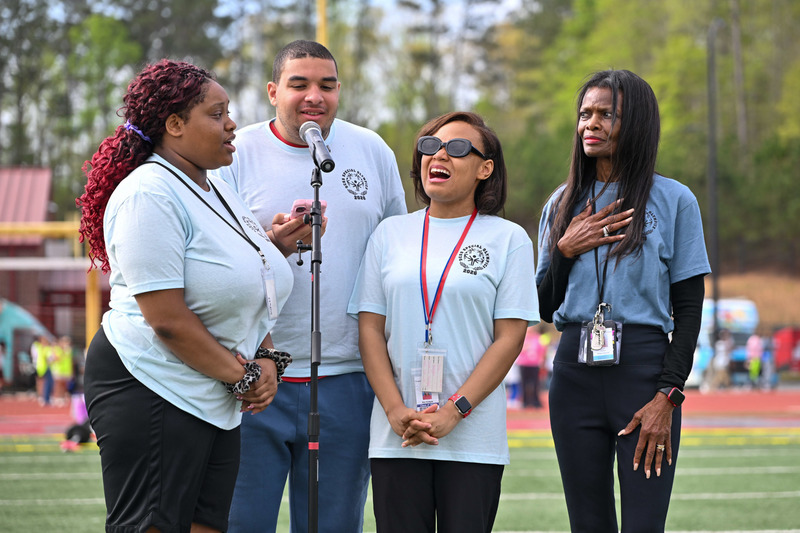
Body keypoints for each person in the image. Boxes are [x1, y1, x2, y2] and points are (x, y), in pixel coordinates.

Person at [76, 59, 294, 532]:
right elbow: (167, 318)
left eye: (228, 112)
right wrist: (247, 376)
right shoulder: (148, 194)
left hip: (214, 390)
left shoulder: (215, 185)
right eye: (216, 114)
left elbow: (243, 286)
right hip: (151, 382)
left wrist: (269, 357)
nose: (232, 124)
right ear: (174, 125)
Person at [214, 40, 407, 533]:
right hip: (253, 376)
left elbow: (396, 253)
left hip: (347, 378)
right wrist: (273, 244)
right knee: (243, 523)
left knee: (334, 525)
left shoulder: (371, 148)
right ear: (273, 90)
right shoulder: (234, 154)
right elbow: (215, 264)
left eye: (327, 84)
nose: (314, 96)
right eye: (299, 84)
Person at [535, 69, 710, 532]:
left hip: (644, 373)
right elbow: (542, 306)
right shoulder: (560, 204)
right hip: (573, 374)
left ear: (635, 123)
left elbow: (689, 309)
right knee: (588, 524)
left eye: (606, 114)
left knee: (643, 524)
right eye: (585, 114)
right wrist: (565, 250)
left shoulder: (675, 200)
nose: (590, 124)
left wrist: (667, 396)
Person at [348, 111, 539, 532]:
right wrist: (395, 409)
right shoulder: (389, 234)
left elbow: (510, 338)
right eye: (430, 146)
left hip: (473, 440)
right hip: (397, 437)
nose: (440, 155)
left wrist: (455, 410)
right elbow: (370, 330)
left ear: (485, 169)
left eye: (457, 148)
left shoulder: (508, 239)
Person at [516, 324, 549, 408]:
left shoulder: (538, 337)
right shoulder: (522, 337)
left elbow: (543, 350)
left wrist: (542, 360)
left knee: (535, 383)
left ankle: (535, 401)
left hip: (534, 363)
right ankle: (525, 401)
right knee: (524, 383)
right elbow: (517, 349)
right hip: (523, 363)